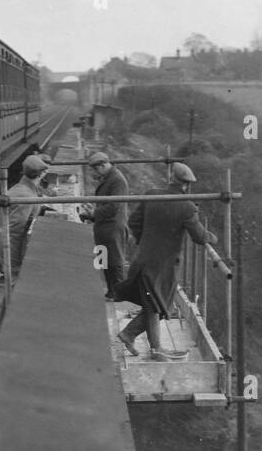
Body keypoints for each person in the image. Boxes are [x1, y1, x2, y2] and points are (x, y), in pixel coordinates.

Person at [114, 162, 214, 358]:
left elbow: (134, 222)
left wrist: (147, 242)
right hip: (162, 267)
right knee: (158, 305)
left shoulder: (152, 194)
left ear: (171, 177)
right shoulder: (187, 208)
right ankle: (132, 336)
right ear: (187, 185)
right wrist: (212, 237)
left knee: (152, 305)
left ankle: (150, 346)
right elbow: (200, 238)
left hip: (142, 259)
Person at [0, 154, 50, 278]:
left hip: (9, 242)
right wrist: (14, 263)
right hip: (10, 247)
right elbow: (14, 232)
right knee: (16, 284)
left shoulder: (25, 188)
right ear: (41, 174)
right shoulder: (24, 196)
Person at [83, 151, 128, 298]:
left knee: (115, 260)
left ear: (103, 165)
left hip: (113, 227)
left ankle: (119, 293)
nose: (94, 172)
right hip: (104, 226)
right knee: (105, 261)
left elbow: (114, 206)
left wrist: (94, 213)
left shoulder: (117, 180)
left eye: (95, 169)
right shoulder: (108, 177)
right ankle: (111, 291)